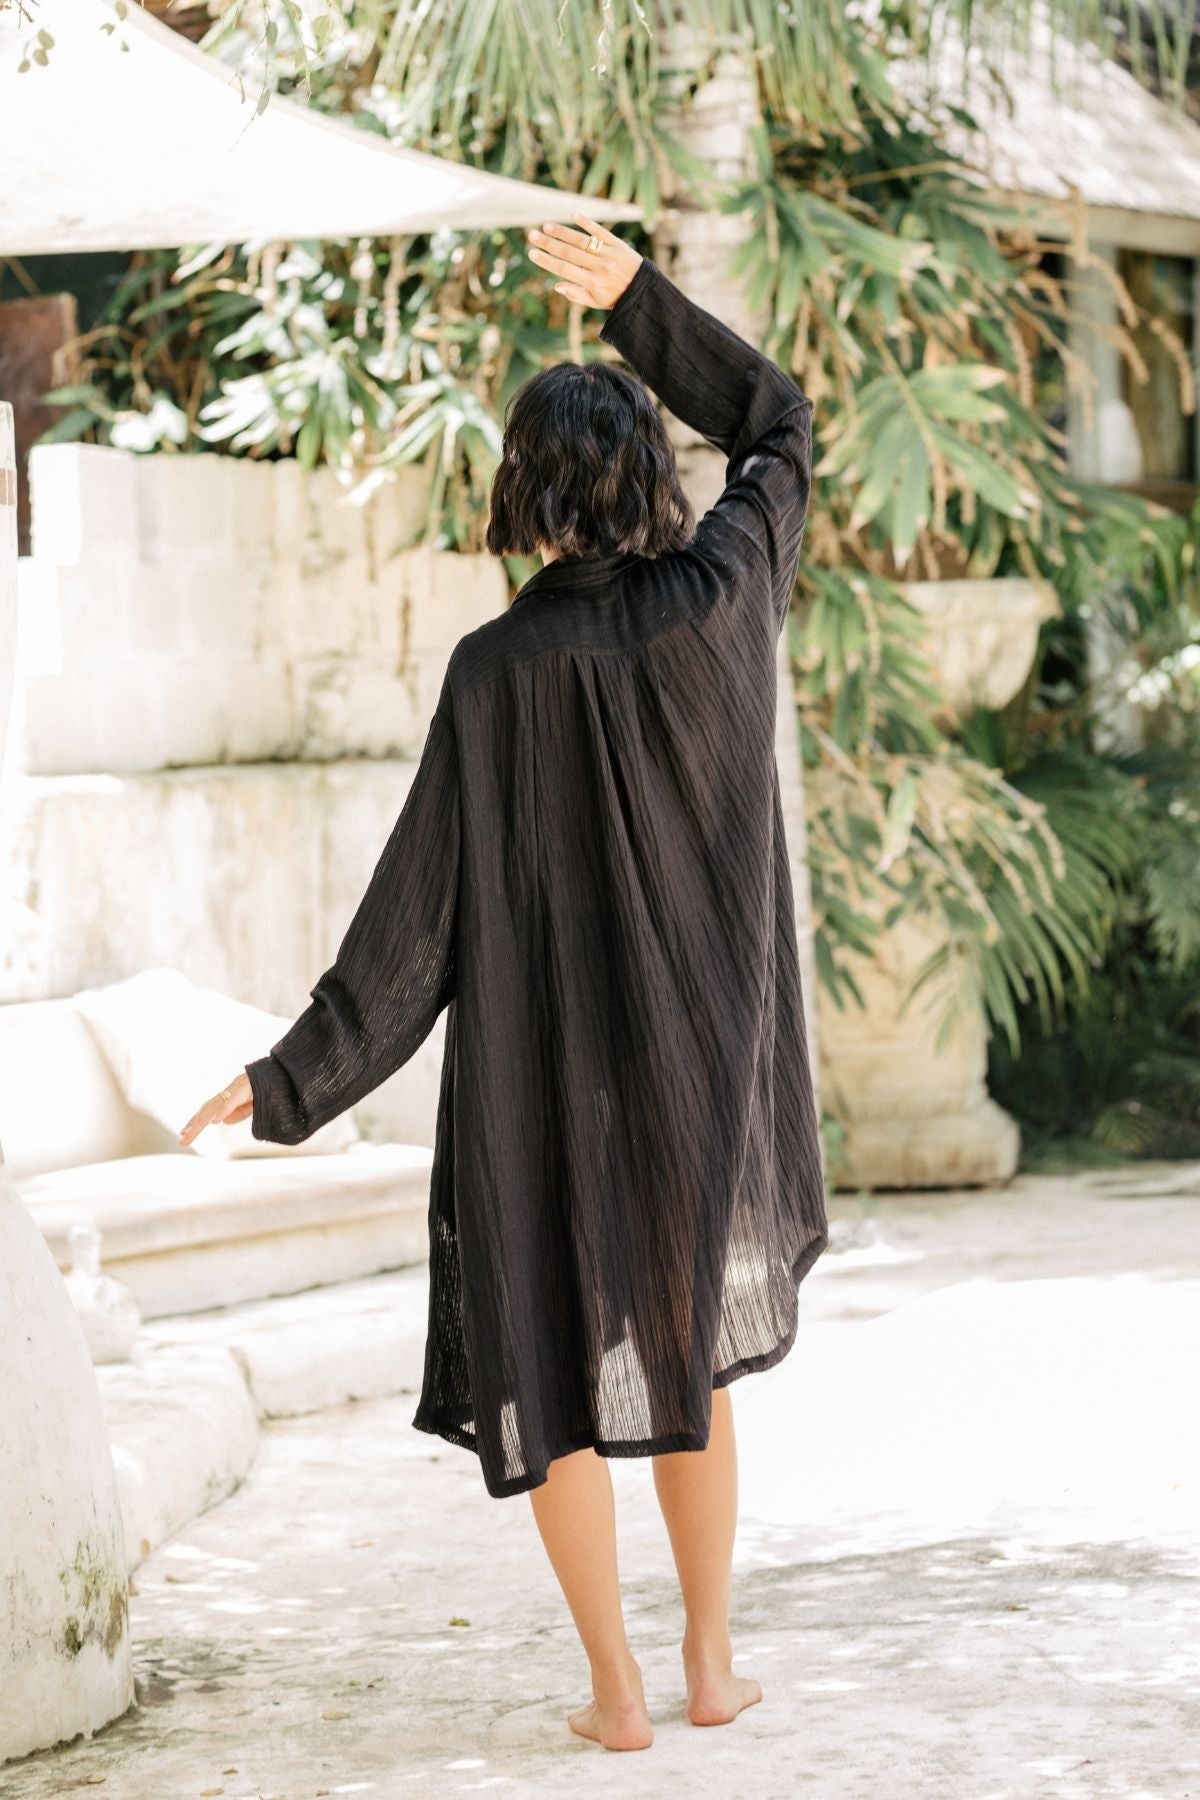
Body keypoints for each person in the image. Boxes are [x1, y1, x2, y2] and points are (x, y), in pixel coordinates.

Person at [180, 213, 829, 1752]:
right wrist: (642, 310)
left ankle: (614, 1691)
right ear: (646, 487)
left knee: (554, 1367)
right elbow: (783, 424)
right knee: (686, 1349)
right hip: (694, 1065)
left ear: (527, 496)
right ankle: (711, 1667)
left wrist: (290, 1081)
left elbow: (417, 920)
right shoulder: (727, 599)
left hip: (545, 1082)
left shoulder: (493, 674)